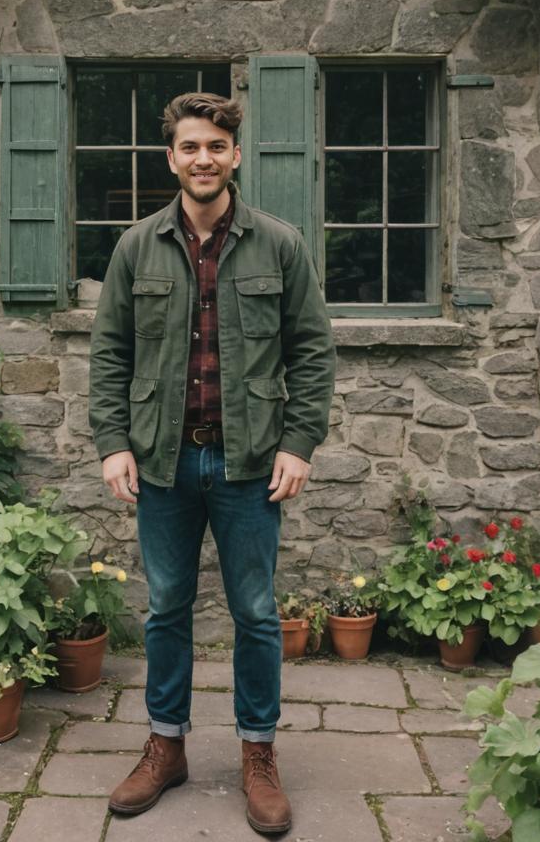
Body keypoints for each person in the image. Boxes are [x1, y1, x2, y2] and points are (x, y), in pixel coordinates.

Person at [88, 92, 335, 835]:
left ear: (235, 156)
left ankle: (258, 755)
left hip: (249, 463)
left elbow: (313, 353)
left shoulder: (279, 244)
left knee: (255, 613)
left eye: (216, 147)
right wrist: (111, 443)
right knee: (165, 609)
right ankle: (167, 747)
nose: (204, 158)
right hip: (162, 463)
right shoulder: (136, 247)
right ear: (172, 158)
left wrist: (298, 443)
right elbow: (109, 355)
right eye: (190, 147)